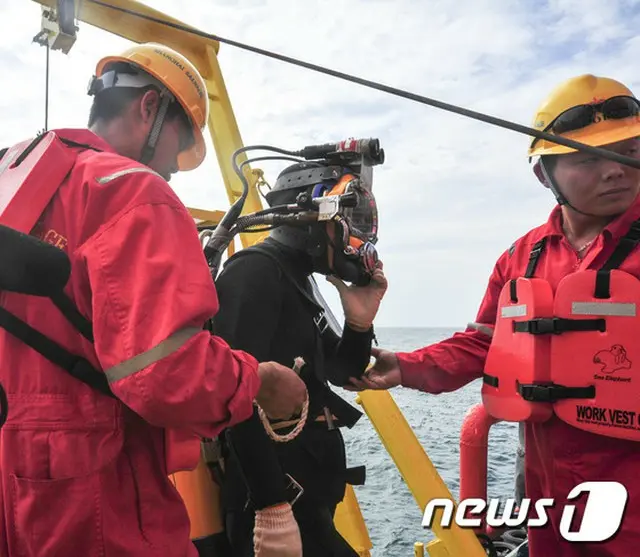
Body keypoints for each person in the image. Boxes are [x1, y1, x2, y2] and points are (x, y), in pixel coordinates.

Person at [0, 43, 306, 557]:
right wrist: (262, 380)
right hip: (94, 483)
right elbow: (167, 376)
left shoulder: (16, 176)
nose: (172, 172)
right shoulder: (131, 190)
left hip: (16, 474)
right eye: (177, 149)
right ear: (149, 108)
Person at [347, 74, 640, 557]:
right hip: (549, 490)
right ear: (544, 174)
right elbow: (485, 343)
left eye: (630, 151)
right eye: (590, 158)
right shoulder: (521, 256)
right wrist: (406, 366)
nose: (618, 171)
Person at [211, 161, 388, 556]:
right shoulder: (254, 273)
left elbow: (342, 372)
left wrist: (359, 324)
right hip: (275, 500)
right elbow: (233, 397)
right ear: (308, 216)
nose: (357, 238)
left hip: (309, 493)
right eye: (349, 220)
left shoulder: (298, 277)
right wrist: (272, 508)